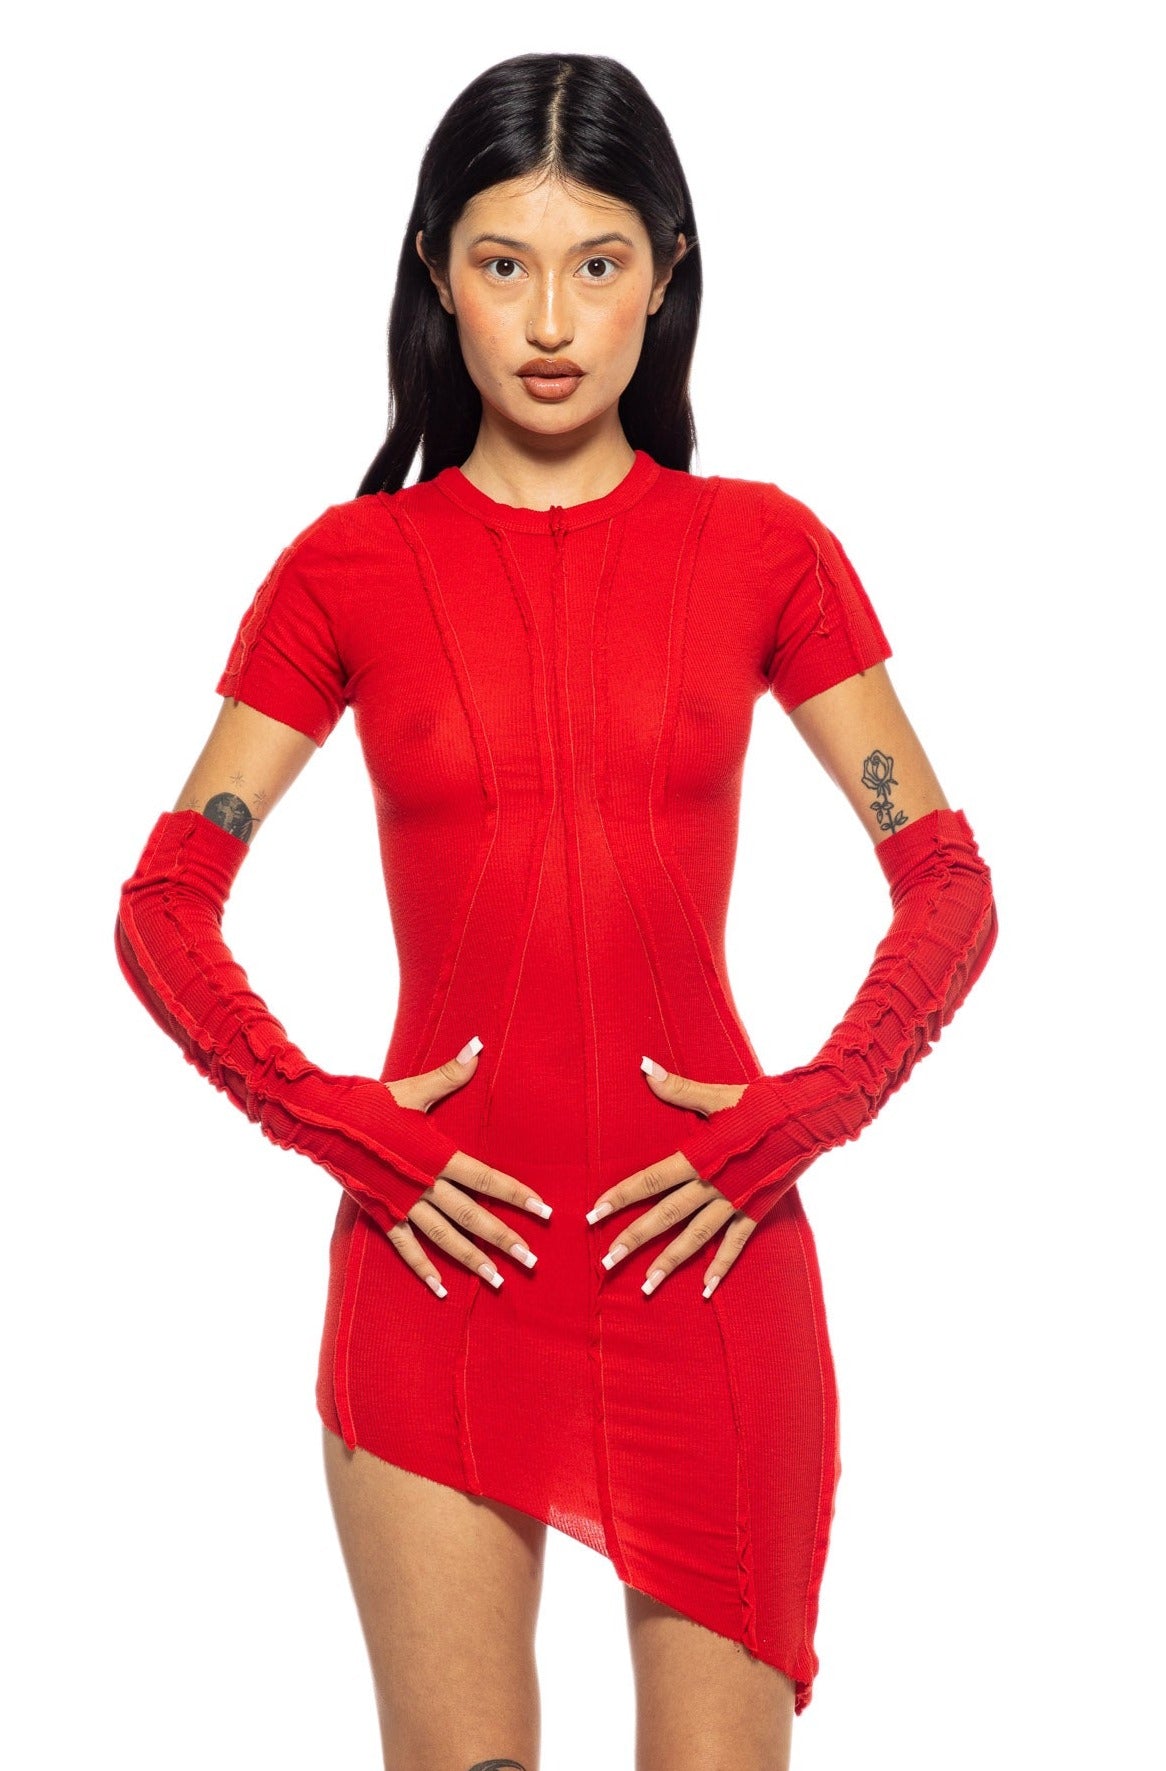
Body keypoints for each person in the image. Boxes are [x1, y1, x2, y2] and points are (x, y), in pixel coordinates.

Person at [114, 50, 998, 1771]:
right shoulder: (345, 570)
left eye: (596, 264)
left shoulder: (763, 550)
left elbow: (946, 882)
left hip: (710, 1252)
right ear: (434, 270)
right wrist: (334, 1123)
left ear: (664, 276)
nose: (546, 319)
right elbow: (164, 907)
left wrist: (807, 1112)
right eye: (500, 263)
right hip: (437, 1261)